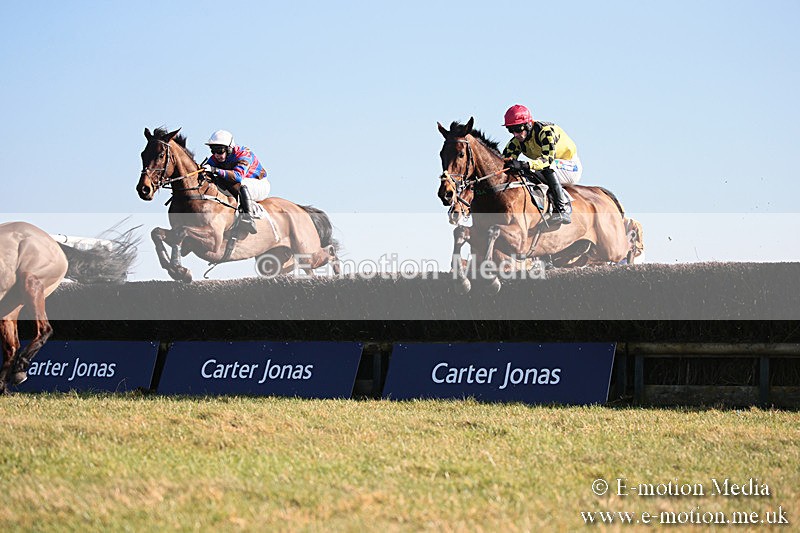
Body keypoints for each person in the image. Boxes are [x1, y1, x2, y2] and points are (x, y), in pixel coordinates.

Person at [501, 104, 582, 225]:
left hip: (570, 166)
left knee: (547, 167)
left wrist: (524, 164)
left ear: (528, 124)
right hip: (548, 167)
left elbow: (547, 160)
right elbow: (503, 161)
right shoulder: (517, 141)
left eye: (518, 129)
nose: (515, 134)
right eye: (510, 130)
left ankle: (562, 208)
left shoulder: (545, 132)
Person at [201, 130, 270, 235]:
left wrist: (215, 170)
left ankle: (248, 218)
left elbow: (237, 177)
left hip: (259, 184)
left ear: (229, 149)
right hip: (237, 183)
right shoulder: (215, 158)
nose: (216, 155)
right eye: (213, 151)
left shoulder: (244, 154)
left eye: (219, 151)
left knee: (240, 184)